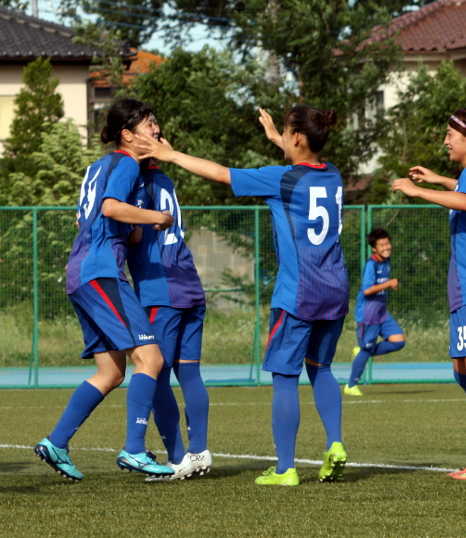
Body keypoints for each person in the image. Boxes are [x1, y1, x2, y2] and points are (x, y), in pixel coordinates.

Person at [136, 105, 348, 486]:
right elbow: (303, 169)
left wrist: (171, 155)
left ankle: (285, 469)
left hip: (298, 293)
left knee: (285, 377)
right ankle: (335, 443)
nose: (281, 136)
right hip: (335, 288)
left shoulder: (280, 179)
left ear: (297, 138)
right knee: (323, 369)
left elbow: (220, 173)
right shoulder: (333, 176)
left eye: (285, 132)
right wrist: (275, 137)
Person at [34, 98, 176, 481]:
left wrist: (133, 227)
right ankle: (134, 449)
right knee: (151, 359)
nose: (156, 132)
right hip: (102, 274)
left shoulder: (97, 167)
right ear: (127, 135)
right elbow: (112, 208)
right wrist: (156, 217)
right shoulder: (127, 163)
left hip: (82, 272)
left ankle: (56, 442)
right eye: (150, 126)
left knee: (110, 372)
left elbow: (92, 218)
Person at [393, 107, 466, 480]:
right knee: (464, 373)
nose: (445, 140)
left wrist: (417, 189)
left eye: (450, 133)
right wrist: (440, 179)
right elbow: (463, 191)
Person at [127, 128, 211, 481]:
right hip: (189, 282)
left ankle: (178, 459)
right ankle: (201, 451)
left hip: (162, 289)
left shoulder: (134, 182)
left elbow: (133, 233)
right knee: (189, 372)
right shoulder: (165, 179)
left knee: (155, 371)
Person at [345, 227, 405, 396]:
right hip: (368, 314)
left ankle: (363, 352)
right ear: (374, 248)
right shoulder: (371, 265)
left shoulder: (386, 261)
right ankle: (350, 386)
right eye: (381, 245)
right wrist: (389, 284)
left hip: (381, 313)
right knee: (366, 349)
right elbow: (366, 290)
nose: (386, 247)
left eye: (387, 243)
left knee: (398, 341)